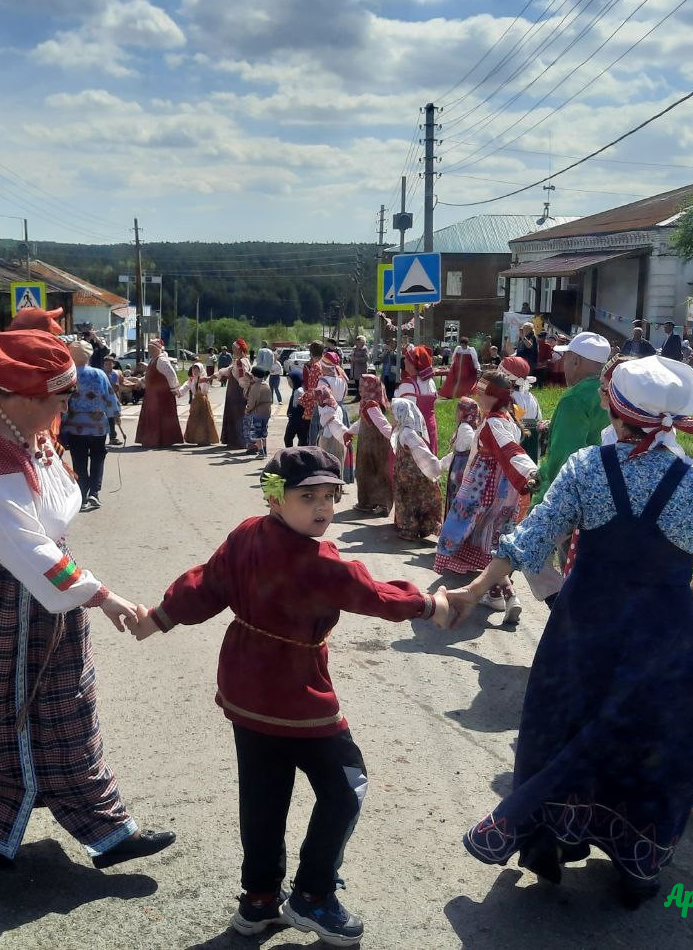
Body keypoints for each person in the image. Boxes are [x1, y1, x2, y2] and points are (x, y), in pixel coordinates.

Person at [454, 356, 693, 908]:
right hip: (662, 637)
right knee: (650, 740)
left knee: (565, 725)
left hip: (585, 629)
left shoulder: (587, 468)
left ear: (616, 410)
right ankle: (637, 861)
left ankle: (549, 838)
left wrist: (473, 592)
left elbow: (532, 537)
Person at [130, 446, 458, 945]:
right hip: (295, 694)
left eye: (330, 495)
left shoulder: (245, 534)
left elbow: (206, 583)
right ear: (276, 498)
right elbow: (369, 592)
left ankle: (259, 902)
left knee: (263, 796)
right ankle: (313, 896)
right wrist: (427, 603)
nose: (323, 508)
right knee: (347, 785)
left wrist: (160, 617)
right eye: (309, 497)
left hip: (245, 686)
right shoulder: (319, 560)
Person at [0, 329, 175, 870]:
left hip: (19, 586)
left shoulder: (10, 425)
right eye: (59, 397)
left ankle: (103, 826)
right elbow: (28, 547)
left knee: (63, 705)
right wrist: (102, 596)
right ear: (24, 396)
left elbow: (36, 537)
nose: (66, 406)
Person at [435, 371, 539, 623]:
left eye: (481, 394)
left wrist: (531, 471)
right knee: (493, 539)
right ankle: (505, 595)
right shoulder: (507, 418)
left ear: (492, 397)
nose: (478, 398)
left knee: (482, 537)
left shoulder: (494, 423)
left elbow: (510, 450)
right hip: (504, 491)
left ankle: (503, 594)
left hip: (485, 490)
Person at [535, 332, 611, 506]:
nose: (564, 365)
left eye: (566, 359)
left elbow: (564, 457)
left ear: (576, 361)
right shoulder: (612, 390)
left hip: (570, 497)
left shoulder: (575, 398)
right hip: (602, 488)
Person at [60, 340, 119, 508]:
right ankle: (94, 493)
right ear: (89, 355)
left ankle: (82, 494)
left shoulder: (68, 375)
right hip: (97, 425)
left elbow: (61, 401)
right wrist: (115, 415)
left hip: (74, 425)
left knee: (79, 460)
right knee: (98, 458)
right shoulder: (99, 374)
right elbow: (110, 397)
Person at [389, 397, 447, 541]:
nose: (393, 418)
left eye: (394, 414)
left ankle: (413, 529)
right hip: (411, 476)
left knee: (411, 501)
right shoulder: (405, 431)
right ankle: (419, 527)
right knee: (417, 500)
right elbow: (422, 452)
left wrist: (438, 465)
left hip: (409, 476)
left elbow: (421, 451)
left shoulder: (407, 433)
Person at [347, 374, 393, 516]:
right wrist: (349, 431)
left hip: (375, 446)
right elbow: (362, 421)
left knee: (374, 473)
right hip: (368, 444)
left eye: (362, 385)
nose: (360, 388)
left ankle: (378, 504)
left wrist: (396, 438)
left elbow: (383, 425)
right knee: (367, 473)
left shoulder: (371, 405)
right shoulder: (367, 402)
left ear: (370, 387)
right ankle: (370, 503)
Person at [137, 338, 182, 448]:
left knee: (161, 416)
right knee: (153, 416)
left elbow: (171, 375)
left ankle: (163, 440)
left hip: (162, 395)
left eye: (152, 348)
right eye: (149, 348)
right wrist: (140, 381)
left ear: (158, 349)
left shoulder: (162, 360)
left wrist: (174, 389)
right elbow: (152, 375)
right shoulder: (154, 360)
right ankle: (153, 439)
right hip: (153, 395)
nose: (150, 350)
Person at [395, 344, 439, 451]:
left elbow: (403, 414)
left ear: (413, 364)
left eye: (407, 358)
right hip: (430, 426)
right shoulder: (430, 382)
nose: (404, 361)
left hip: (414, 431)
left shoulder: (408, 385)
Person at [499, 355, 543, 463]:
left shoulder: (510, 398)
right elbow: (538, 421)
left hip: (517, 445)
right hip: (532, 447)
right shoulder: (531, 397)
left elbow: (508, 423)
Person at [443, 397, 480, 516]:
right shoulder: (470, 426)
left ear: (465, 413)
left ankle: (453, 523)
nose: (456, 413)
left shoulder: (464, 427)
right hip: (461, 463)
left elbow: (471, 443)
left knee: (456, 494)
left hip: (460, 466)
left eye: (458, 410)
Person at [220, 338, 251, 450]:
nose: (232, 350)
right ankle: (235, 440)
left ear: (239, 349)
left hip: (237, 392)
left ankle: (239, 441)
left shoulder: (240, 362)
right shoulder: (239, 360)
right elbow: (229, 370)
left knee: (237, 415)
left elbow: (243, 378)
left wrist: (244, 391)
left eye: (234, 348)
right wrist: (216, 375)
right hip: (234, 391)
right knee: (235, 414)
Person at [179, 362, 218, 446]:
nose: (195, 371)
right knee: (194, 419)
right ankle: (194, 438)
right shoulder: (191, 379)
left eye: (197, 369)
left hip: (203, 402)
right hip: (195, 402)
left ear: (200, 370)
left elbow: (205, 390)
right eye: (194, 369)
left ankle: (205, 439)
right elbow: (185, 387)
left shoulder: (204, 380)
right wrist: (179, 392)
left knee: (204, 420)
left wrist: (203, 381)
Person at [313, 382, 347, 466]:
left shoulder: (327, 411)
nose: (316, 402)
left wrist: (347, 433)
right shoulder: (336, 406)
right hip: (338, 442)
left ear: (321, 398)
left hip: (329, 442)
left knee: (329, 468)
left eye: (317, 399)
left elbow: (336, 425)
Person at [243, 365, 273, 459]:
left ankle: (261, 453)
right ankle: (265, 451)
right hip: (267, 412)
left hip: (257, 412)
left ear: (254, 376)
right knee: (264, 432)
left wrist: (247, 410)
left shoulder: (255, 387)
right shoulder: (267, 385)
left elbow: (252, 402)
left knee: (257, 433)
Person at [300, 341, 325, 446]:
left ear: (311, 353)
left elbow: (312, 389)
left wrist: (302, 399)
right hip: (326, 402)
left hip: (316, 403)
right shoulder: (325, 364)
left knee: (314, 435)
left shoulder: (315, 366)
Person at [441, 335, 480, 400]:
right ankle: (450, 394)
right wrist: (452, 365)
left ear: (466, 344)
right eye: (461, 344)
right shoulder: (458, 348)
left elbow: (475, 360)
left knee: (465, 383)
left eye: (463, 344)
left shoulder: (471, 350)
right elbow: (454, 357)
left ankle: (464, 395)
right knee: (452, 381)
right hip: (457, 368)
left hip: (467, 370)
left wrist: (478, 368)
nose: (462, 346)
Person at [101, 355, 127, 444]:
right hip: (102, 399)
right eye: (106, 364)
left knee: (112, 418)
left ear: (113, 365)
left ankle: (112, 437)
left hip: (112, 398)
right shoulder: (100, 373)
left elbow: (116, 387)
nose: (108, 366)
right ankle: (101, 438)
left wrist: (109, 380)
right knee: (102, 418)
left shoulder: (114, 374)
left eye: (110, 364)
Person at [282, 369, 308, 448]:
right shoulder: (296, 390)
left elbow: (301, 405)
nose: (289, 384)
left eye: (290, 382)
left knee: (292, 439)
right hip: (295, 419)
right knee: (290, 439)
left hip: (299, 420)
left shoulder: (299, 391)